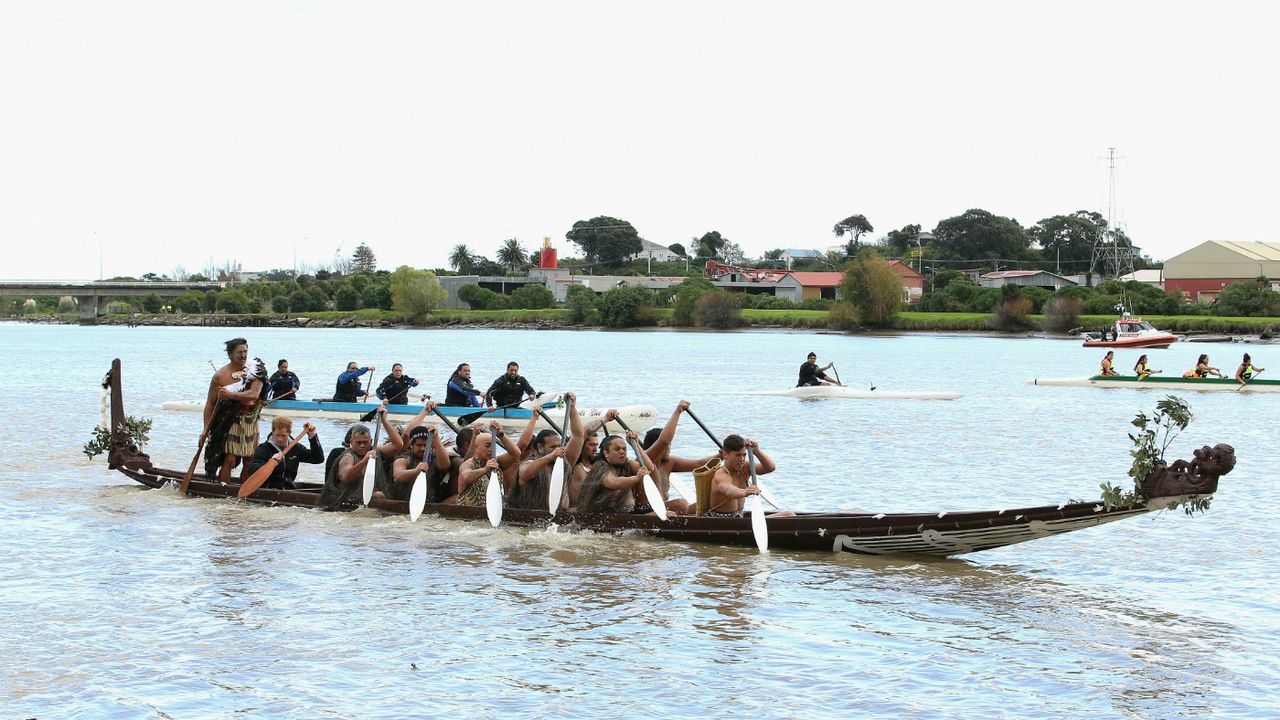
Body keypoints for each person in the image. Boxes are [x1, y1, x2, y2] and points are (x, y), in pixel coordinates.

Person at [201, 337, 267, 485]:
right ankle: (224, 490)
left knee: (250, 459)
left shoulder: (255, 369)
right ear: (230, 354)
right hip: (230, 420)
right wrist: (206, 429)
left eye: (245, 351)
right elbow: (210, 404)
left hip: (251, 418)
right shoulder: (220, 376)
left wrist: (230, 395)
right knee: (229, 458)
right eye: (239, 352)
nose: (243, 355)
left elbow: (254, 394)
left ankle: (244, 492)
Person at [509, 394, 586, 511]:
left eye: (559, 446)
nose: (558, 449)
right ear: (540, 447)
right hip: (531, 519)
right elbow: (525, 474)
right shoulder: (530, 462)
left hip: (559, 520)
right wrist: (550, 456)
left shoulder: (565, 461)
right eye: (553, 447)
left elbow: (578, 436)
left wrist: (572, 407)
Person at [319, 405, 403, 509]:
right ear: (351, 442)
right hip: (346, 499)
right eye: (358, 443)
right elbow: (346, 477)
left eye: (365, 442)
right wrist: (364, 460)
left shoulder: (376, 450)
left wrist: (384, 421)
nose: (362, 445)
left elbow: (398, 445)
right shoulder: (348, 457)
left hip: (368, 497)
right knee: (379, 495)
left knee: (379, 495)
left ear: (371, 442)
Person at [640, 400, 713, 516]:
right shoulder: (644, 460)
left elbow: (699, 464)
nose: (669, 448)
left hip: (662, 508)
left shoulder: (670, 462)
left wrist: (722, 454)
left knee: (706, 504)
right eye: (668, 445)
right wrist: (677, 412)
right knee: (681, 504)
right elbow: (664, 440)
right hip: (645, 512)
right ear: (658, 447)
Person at [707, 435, 792, 518]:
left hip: (739, 519)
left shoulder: (746, 467)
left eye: (744, 455)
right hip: (722, 522)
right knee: (789, 515)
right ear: (725, 454)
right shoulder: (721, 474)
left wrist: (757, 451)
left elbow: (770, 468)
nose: (742, 460)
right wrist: (745, 492)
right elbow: (729, 490)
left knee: (789, 515)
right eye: (738, 455)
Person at [577, 431, 656, 514]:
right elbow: (614, 482)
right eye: (617, 449)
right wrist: (636, 478)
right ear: (606, 453)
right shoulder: (600, 466)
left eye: (624, 449)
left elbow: (649, 468)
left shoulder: (629, 463)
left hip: (626, 513)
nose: (622, 452)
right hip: (600, 515)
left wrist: (636, 445)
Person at [454, 420, 522, 507]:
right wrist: (485, 469)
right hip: (467, 516)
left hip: (490, 513)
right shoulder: (468, 464)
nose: (491, 449)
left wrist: (501, 434)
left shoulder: (496, 462)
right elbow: (465, 476)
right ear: (476, 447)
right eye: (487, 445)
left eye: (493, 446)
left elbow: (516, 454)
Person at [246, 416, 323, 490]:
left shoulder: (296, 448)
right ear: (273, 432)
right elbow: (251, 470)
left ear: (289, 432)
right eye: (277, 435)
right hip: (268, 488)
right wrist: (271, 463)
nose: (280, 439)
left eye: (283, 436)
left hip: (289, 488)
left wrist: (313, 437)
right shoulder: (264, 448)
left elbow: (318, 459)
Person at [384, 424, 451, 502]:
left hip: (429, 503)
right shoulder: (404, 458)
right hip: (402, 501)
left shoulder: (434, 457)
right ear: (412, 445)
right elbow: (398, 477)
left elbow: (445, 465)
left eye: (425, 445)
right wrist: (416, 471)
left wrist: (436, 438)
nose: (422, 448)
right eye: (419, 445)